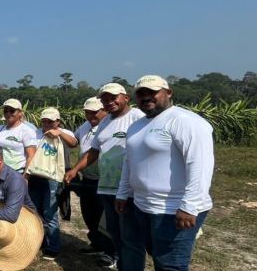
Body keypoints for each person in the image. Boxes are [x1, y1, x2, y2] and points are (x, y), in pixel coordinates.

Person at [115, 75, 214, 271]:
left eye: (152, 93)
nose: (146, 97)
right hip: (143, 205)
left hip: (173, 208)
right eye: (141, 94)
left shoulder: (185, 121)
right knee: (158, 256)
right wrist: (123, 193)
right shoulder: (137, 125)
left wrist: (189, 206)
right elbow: (130, 162)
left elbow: (200, 164)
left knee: (171, 265)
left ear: (168, 93)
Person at [65, 83, 145, 269]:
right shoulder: (106, 122)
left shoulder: (138, 118)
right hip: (105, 185)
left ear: (125, 97)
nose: (109, 102)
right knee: (113, 230)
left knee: (130, 236)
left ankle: (126, 263)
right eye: (105, 99)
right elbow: (94, 151)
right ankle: (121, 262)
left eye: (113, 98)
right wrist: (75, 169)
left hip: (128, 188)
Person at [30, 108, 78, 260]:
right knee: (35, 211)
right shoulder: (36, 132)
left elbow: (73, 144)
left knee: (49, 213)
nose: (46, 124)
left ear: (58, 121)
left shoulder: (65, 133)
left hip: (53, 179)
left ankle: (53, 247)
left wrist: (60, 133)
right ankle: (40, 241)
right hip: (35, 176)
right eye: (44, 121)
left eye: (50, 121)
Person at [69, 97, 113, 263]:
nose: (90, 115)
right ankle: (96, 243)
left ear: (104, 111)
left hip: (104, 179)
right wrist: (59, 131)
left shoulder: (109, 124)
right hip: (87, 177)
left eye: (94, 112)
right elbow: (74, 141)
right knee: (89, 213)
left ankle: (111, 252)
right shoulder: (85, 126)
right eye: (87, 112)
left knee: (106, 217)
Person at [0, 99, 37, 175]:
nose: (8, 113)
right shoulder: (0, 129)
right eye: (5, 111)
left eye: (12, 111)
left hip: (17, 172)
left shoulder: (26, 130)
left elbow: (31, 156)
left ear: (20, 113)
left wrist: (25, 177)